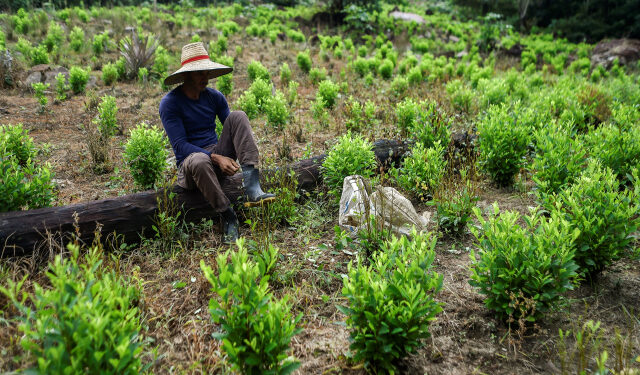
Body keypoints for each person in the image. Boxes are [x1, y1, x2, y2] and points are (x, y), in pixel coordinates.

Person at [159, 42, 275, 244]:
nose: (205, 77)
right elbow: (180, 146)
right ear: (186, 75)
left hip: (215, 156)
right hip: (191, 165)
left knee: (238, 116)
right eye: (199, 73)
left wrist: (227, 156)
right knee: (199, 161)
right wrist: (216, 157)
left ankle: (252, 186)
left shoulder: (215, 97)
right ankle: (228, 216)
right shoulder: (170, 103)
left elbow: (233, 129)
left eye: (207, 72)